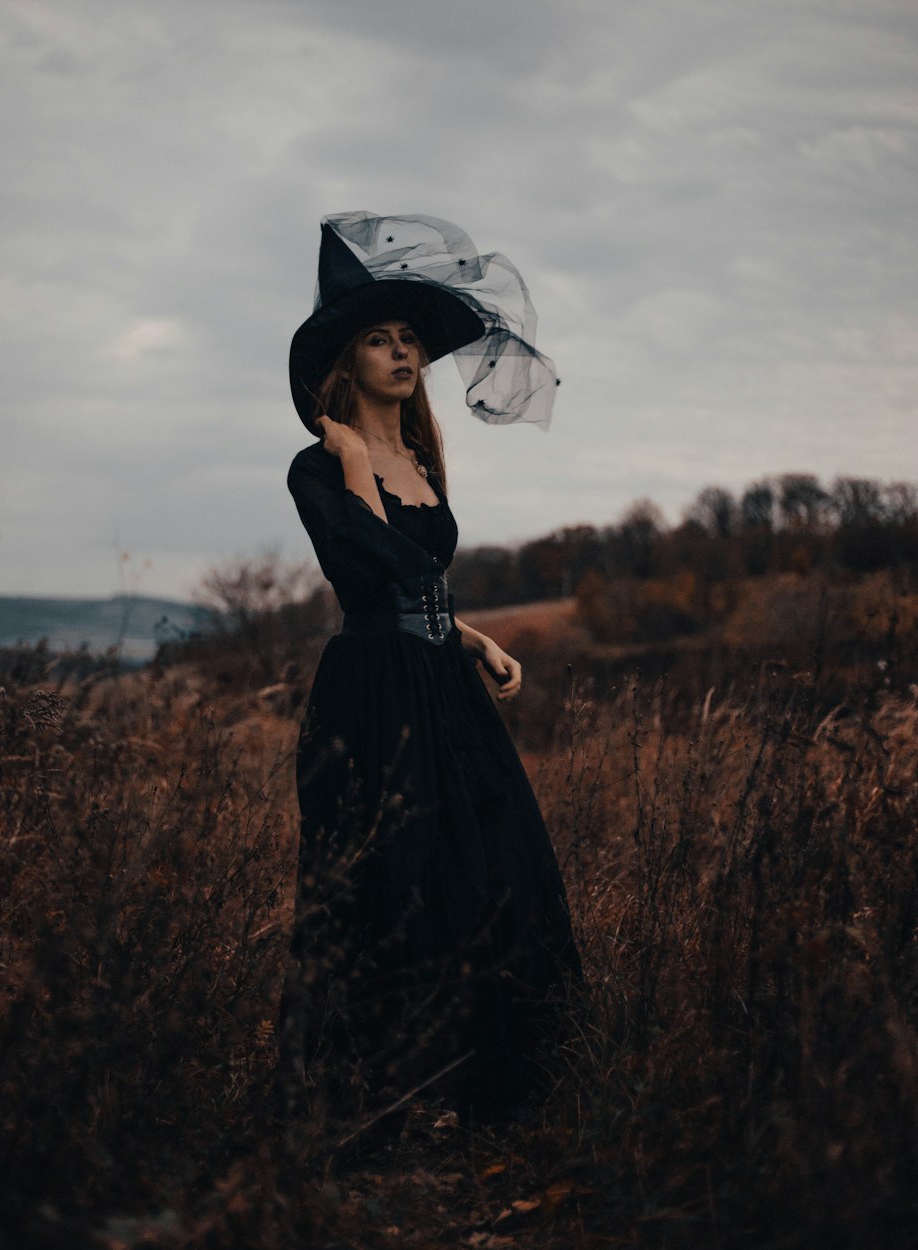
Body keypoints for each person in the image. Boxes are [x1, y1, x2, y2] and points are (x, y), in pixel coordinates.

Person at [278, 213, 580, 1130]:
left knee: (493, 864)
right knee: (389, 884)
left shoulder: (420, 460)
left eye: (412, 338)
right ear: (348, 360)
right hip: (371, 695)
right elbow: (380, 572)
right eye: (382, 337)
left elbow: (428, 586)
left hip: (441, 686)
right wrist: (353, 461)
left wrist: (475, 639)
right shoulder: (317, 468)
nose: (404, 351)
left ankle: (493, 1088)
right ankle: (376, 1099)